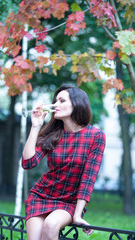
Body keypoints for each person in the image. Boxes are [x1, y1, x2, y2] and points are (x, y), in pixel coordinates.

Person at [22, 84, 106, 240]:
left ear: (77, 103)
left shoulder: (96, 136)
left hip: (69, 201)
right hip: (41, 196)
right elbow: (28, 163)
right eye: (55, 101)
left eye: (61, 101)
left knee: (50, 225)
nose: (55, 105)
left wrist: (78, 215)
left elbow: (88, 178)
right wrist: (35, 126)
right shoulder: (52, 133)